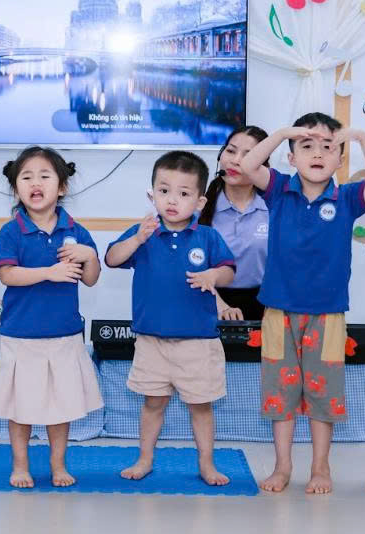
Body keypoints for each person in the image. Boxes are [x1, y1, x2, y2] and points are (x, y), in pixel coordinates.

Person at [240, 112, 365, 494]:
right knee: (281, 394)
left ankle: (321, 467)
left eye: (328, 147)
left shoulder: (347, 197)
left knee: (323, 394)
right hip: (279, 312)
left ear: (340, 159)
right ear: (292, 158)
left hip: (327, 314)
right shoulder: (279, 189)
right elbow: (248, 165)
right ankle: (283, 466)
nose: (318, 153)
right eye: (307, 146)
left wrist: (362, 139)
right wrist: (281, 133)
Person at [106, 151, 237, 485]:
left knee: (201, 406)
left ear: (200, 201)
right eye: (164, 191)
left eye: (183, 193)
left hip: (198, 343)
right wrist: (138, 238)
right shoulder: (143, 232)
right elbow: (111, 258)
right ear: (152, 195)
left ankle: (206, 464)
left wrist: (213, 275)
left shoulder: (207, 237)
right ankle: (145, 459)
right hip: (151, 341)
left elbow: (228, 271)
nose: (172, 200)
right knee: (153, 403)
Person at [0, 146, 104, 489]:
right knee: (19, 407)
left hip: (65, 335)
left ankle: (58, 464)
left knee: (61, 407)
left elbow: (91, 278)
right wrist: (49, 273)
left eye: (44, 176)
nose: (35, 183)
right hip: (20, 335)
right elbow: (7, 275)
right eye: (26, 177)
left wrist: (89, 255)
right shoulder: (11, 231)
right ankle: (20, 465)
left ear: (61, 187)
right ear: (16, 188)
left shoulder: (76, 231)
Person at [198, 125, 270, 321]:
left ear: (263, 166)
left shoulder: (275, 208)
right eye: (231, 151)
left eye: (248, 155)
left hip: (266, 307)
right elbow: (186, 266)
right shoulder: (198, 206)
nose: (236, 160)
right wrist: (220, 306)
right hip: (207, 301)